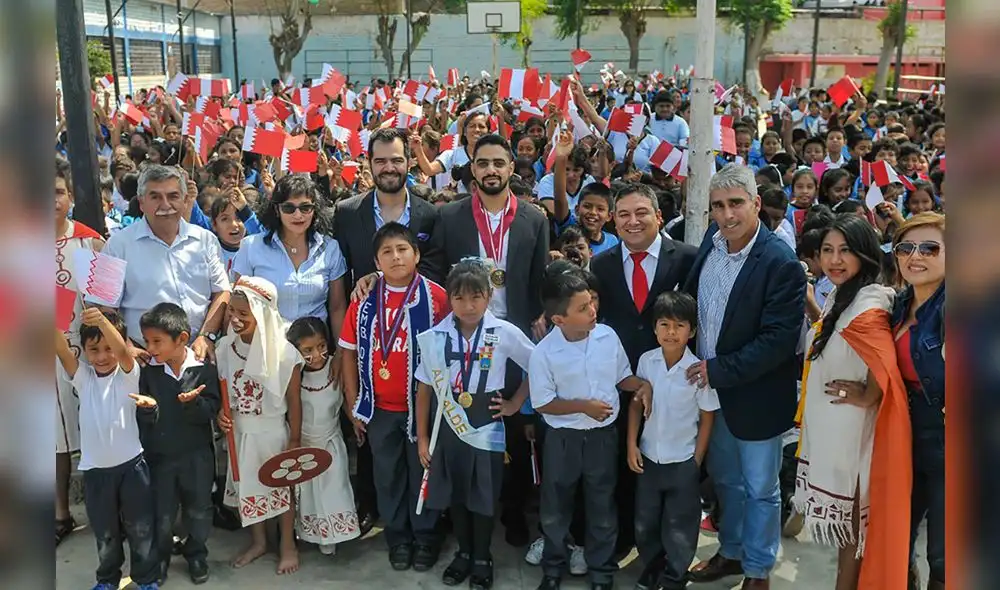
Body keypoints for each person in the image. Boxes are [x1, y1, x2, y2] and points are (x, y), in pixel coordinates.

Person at [668, 164, 806, 590]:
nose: (727, 215)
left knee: (761, 488)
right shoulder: (713, 245)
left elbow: (778, 341)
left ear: (756, 204)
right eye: (718, 206)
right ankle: (730, 553)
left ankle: (758, 570)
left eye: (735, 204)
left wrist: (718, 369)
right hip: (711, 394)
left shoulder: (781, 263)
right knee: (726, 481)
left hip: (756, 398)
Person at [426, 133, 550, 544]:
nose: (491, 170)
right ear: (472, 169)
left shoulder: (534, 218)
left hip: (511, 337)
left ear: (511, 168)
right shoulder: (450, 216)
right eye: (483, 163)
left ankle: (512, 511)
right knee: (460, 426)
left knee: (510, 427)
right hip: (463, 336)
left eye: (499, 162)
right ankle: (456, 515)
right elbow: (434, 272)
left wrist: (540, 313)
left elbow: (538, 277)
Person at [793, 214, 912, 590]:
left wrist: (870, 393)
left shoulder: (870, 301)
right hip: (834, 433)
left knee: (852, 531)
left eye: (845, 250)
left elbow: (883, 359)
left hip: (853, 436)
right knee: (849, 530)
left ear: (865, 253)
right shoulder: (843, 294)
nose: (835, 259)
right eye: (827, 250)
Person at [589, 182, 697, 556]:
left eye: (641, 213)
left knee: (663, 467)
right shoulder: (600, 264)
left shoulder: (686, 258)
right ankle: (622, 538)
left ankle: (662, 549)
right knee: (622, 460)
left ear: (658, 216)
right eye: (623, 215)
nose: (632, 222)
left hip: (672, 383)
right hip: (618, 382)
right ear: (613, 220)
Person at [414, 259, 536, 590]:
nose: (468, 306)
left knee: (483, 494)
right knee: (455, 492)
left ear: (489, 295)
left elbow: (537, 364)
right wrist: (423, 437)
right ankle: (464, 553)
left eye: (476, 297)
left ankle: (483, 555)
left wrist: (515, 403)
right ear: (449, 299)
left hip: (486, 422)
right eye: (459, 298)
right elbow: (424, 387)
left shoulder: (504, 331)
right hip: (448, 423)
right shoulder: (436, 336)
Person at [529, 269, 653, 590]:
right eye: (582, 308)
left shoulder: (607, 337)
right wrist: (583, 406)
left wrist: (642, 385)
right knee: (556, 506)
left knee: (602, 504)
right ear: (559, 319)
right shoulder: (544, 353)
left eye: (591, 303)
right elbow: (543, 403)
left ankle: (601, 572)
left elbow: (621, 377)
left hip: (602, 439)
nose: (592, 311)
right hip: (563, 440)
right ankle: (553, 568)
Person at [340, 222, 450, 572]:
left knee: (424, 475)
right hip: (379, 409)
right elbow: (347, 352)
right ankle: (398, 538)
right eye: (386, 251)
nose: (396, 256)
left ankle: (426, 537)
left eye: (402, 249)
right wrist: (353, 402)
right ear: (376, 261)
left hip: (424, 409)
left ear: (416, 255)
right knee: (387, 476)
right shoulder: (364, 302)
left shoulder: (436, 297)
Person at [54, 308, 160, 590]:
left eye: (108, 348)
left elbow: (123, 354)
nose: (102, 356)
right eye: (94, 349)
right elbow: (63, 351)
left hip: (132, 468)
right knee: (105, 533)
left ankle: (147, 579)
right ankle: (107, 579)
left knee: (141, 529)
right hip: (96, 472)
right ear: (85, 351)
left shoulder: (128, 374)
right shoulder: (83, 378)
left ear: (122, 345)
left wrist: (101, 320)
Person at [627, 291, 719, 590]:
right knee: (646, 520)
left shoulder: (697, 371)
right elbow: (636, 405)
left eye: (680, 326)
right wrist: (631, 444)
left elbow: (707, 417)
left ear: (692, 331)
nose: (671, 332)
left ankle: (676, 573)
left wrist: (697, 459)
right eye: (664, 324)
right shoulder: (646, 361)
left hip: (683, 460)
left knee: (681, 522)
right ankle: (653, 566)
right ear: (655, 328)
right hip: (648, 457)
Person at [216, 277, 304, 575]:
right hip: (241, 433)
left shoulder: (285, 353)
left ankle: (287, 545)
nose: (236, 319)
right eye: (232, 312)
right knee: (247, 488)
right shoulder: (225, 347)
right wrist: (221, 415)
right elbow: (224, 391)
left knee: (282, 489)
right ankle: (258, 541)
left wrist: (294, 439)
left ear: (263, 314)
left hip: (272, 433)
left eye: (244, 314)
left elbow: (294, 401)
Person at [103, 165, 231, 360]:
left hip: (199, 357)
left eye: (173, 196)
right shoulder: (117, 245)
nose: (165, 205)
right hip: (145, 360)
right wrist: (125, 347)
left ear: (185, 200)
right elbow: (102, 306)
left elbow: (222, 291)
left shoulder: (206, 240)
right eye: (155, 197)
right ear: (141, 202)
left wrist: (207, 336)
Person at [138, 302, 221, 585]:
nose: (150, 348)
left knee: (198, 509)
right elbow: (145, 417)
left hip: (196, 458)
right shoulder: (149, 374)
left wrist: (193, 404)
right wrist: (148, 410)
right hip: (160, 458)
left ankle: (196, 553)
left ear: (182, 339)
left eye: (157, 341)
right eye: (147, 341)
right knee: (162, 513)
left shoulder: (203, 371)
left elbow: (210, 411)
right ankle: (160, 558)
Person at [887, 213, 945, 590]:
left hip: (947, 438)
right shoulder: (898, 303)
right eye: (905, 248)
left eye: (929, 248)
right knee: (896, 538)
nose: (915, 256)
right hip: (902, 433)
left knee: (946, 550)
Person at [231, 174, 348, 344]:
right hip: (265, 351)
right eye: (289, 208)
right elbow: (238, 305)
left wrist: (340, 353)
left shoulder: (330, 248)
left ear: (315, 209)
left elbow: (337, 308)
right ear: (277, 210)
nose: (298, 215)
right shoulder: (251, 247)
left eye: (305, 207)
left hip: (315, 356)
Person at [55, 157, 105, 546]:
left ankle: (105, 507)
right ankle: (59, 512)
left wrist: (99, 311)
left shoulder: (89, 239)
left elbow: (108, 297)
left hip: (90, 349)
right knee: (50, 436)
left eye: (56, 192)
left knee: (96, 427)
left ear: (69, 196)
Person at [287, 317, 362, 555]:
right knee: (309, 493)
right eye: (307, 350)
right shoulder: (293, 374)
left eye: (321, 346)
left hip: (331, 442)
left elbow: (346, 400)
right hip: (305, 444)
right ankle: (313, 534)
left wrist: (356, 423)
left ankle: (335, 535)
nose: (317, 354)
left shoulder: (336, 367)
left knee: (333, 489)